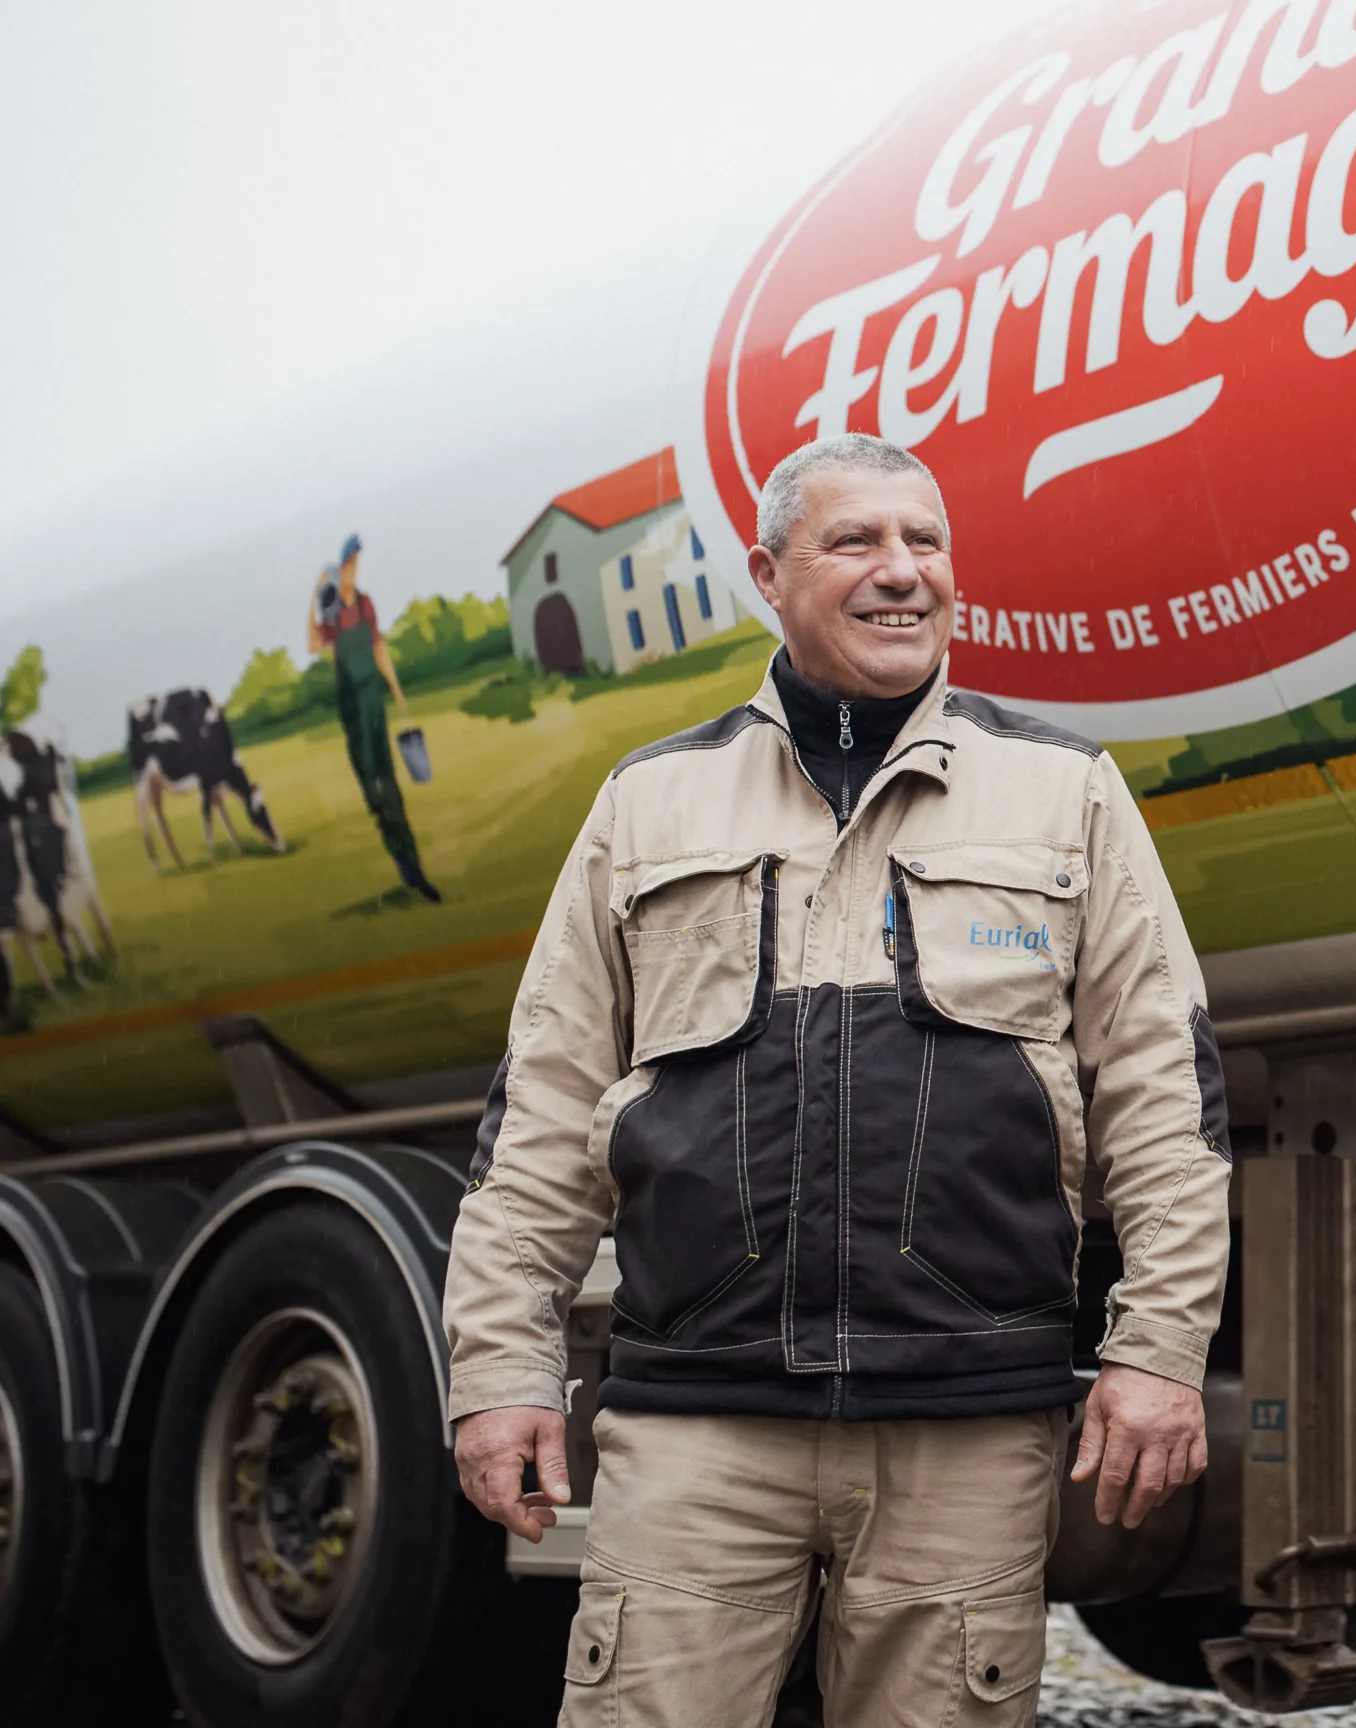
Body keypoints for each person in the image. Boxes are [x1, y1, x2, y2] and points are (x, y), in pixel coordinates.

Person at [441, 435, 1230, 1727]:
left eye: (925, 543)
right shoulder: (649, 808)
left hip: (967, 1429)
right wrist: (502, 1370)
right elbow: (539, 1116)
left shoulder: (1064, 794)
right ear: (768, 572)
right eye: (857, 542)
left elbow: (1163, 1091)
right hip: (698, 1426)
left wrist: (1159, 1351)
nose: (902, 572)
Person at [307, 535, 438, 901]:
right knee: (373, 795)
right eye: (350, 564)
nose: (354, 570)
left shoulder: (364, 604)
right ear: (342, 566)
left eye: (356, 564)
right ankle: (402, 860)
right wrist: (313, 596)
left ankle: (415, 870)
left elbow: (378, 646)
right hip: (353, 715)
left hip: (373, 706)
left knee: (391, 789)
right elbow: (315, 645)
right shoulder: (331, 607)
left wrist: (395, 689)